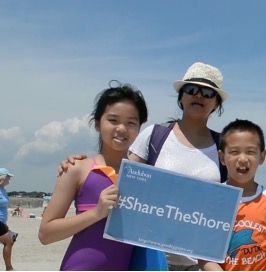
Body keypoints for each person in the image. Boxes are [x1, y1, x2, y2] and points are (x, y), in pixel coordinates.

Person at [58, 62, 230, 271]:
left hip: (202, 263)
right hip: (152, 259)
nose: (199, 96)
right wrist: (80, 163)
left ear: (216, 103)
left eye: (208, 92)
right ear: (181, 96)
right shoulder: (154, 135)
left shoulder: (224, 147)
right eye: (191, 89)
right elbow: (119, 174)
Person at [38, 81, 148, 270]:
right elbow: (46, 234)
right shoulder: (76, 168)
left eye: (131, 122)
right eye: (113, 120)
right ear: (97, 124)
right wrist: (97, 213)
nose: (122, 128)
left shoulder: (145, 176)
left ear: (139, 128)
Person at [198, 119, 266, 271]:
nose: (243, 159)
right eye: (234, 152)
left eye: (251, 152)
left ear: (262, 156)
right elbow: (204, 255)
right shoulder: (211, 199)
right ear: (222, 157)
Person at [0, 168, 16, 271]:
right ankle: (9, 268)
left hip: (1, 222)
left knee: (10, 240)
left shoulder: (3, 190)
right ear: (3, 177)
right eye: (8, 177)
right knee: (8, 241)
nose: (9, 180)